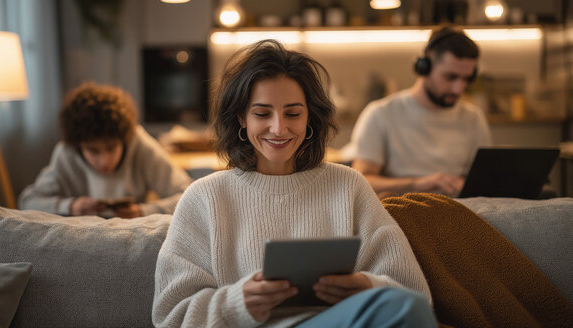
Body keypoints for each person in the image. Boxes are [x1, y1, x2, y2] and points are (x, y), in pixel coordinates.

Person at [152, 40, 435, 327]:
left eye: (293, 113)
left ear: (310, 116)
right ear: (241, 118)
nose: (279, 128)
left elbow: (415, 297)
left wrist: (367, 287)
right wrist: (236, 303)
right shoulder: (205, 197)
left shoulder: (348, 186)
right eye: (262, 113)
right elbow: (171, 317)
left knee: (404, 306)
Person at [350, 26, 491, 197]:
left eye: (466, 79)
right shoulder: (381, 114)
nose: (458, 89)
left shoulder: (474, 118)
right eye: (450, 77)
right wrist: (418, 184)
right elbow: (360, 181)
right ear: (423, 67)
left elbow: (485, 181)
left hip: (460, 213)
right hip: (401, 214)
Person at [19, 82, 192, 218]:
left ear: (124, 139)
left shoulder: (138, 142)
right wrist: (70, 206)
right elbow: (28, 201)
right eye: (93, 151)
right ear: (78, 145)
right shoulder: (66, 152)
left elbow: (189, 197)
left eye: (111, 147)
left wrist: (143, 211)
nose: (105, 160)